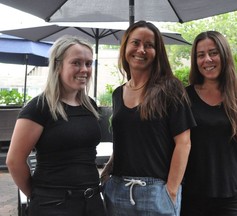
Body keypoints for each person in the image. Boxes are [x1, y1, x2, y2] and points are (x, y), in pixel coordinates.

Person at [100, 20, 196, 216]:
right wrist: (108, 171)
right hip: (117, 190)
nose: (141, 49)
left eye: (149, 45)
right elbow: (126, 139)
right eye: (135, 42)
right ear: (125, 46)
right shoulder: (118, 93)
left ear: (157, 52)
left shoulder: (170, 89)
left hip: (156, 192)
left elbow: (184, 143)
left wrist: (171, 190)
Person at [6, 35, 106, 216]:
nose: (84, 69)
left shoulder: (90, 105)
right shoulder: (40, 107)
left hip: (92, 202)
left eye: (89, 63)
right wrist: (38, 195)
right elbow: (14, 161)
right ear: (58, 65)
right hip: (53, 205)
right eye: (76, 63)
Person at [181, 31, 237, 216]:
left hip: (230, 196)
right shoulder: (183, 97)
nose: (207, 59)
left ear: (224, 55)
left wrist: (222, 160)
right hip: (191, 195)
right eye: (201, 55)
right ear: (195, 60)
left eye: (213, 53)